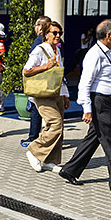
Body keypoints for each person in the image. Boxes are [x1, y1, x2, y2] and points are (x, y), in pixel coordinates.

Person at [59, 19, 111, 188]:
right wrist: (86, 109)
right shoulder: (95, 54)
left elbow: (101, 77)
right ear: (109, 36)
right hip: (101, 102)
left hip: (106, 101)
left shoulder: (106, 52)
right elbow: (85, 83)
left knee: (94, 137)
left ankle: (70, 170)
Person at [23, 22, 69, 172]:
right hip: (43, 93)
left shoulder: (57, 50)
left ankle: (50, 160)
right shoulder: (40, 49)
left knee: (57, 128)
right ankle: (34, 150)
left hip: (56, 92)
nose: (57, 35)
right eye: (54, 33)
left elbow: (60, 75)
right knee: (55, 123)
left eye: (59, 33)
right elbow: (26, 70)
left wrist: (65, 95)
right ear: (46, 34)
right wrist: (45, 67)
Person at [23, 15, 52, 146]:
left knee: (36, 109)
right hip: (51, 81)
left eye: (36, 25)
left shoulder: (38, 42)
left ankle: (33, 138)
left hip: (40, 81)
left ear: (40, 26)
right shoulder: (57, 43)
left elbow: (28, 68)